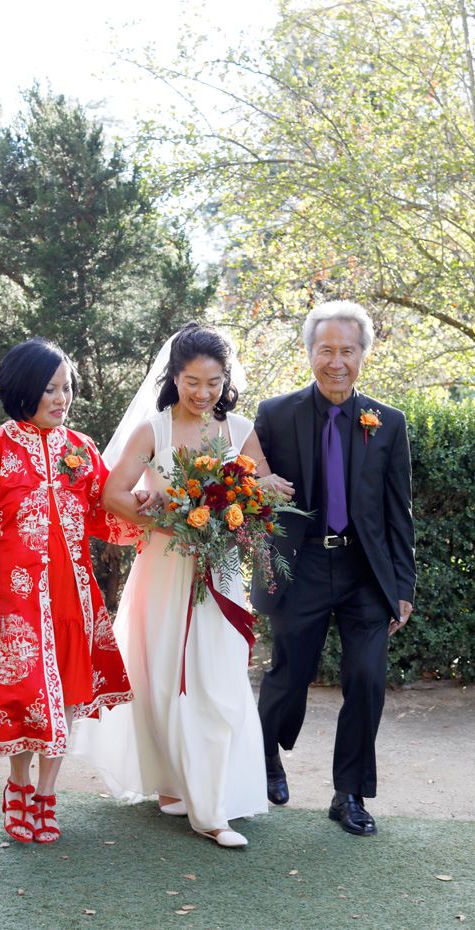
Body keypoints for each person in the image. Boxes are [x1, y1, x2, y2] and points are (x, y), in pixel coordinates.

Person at [0, 338, 147, 844]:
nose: (61, 398)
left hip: (72, 595)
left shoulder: (81, 449)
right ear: (24, 390)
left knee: (65, 696)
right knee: (25, 695)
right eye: (50, 388)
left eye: (66, 388)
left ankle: (47, 794)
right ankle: (17, 785)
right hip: (12, 599)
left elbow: (105, 509)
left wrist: (152, 508)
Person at [75, 322, 283, 848]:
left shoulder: (239, 431)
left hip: (222, 575)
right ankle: (172, 785)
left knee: (217, 682)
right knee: (164, 677)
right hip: (165, 570)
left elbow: (259, 490)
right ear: (174, 377)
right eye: (192, 381)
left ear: (225, 380)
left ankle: (211, 810)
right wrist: (172, 521)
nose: (202, 393)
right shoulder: (154, 430)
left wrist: (256, 501)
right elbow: (113, 494)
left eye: (213, 382)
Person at [252, 300, 416, 836]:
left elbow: (398, 511)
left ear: (364, 354)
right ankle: (266, 754)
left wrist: (403, 585)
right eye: (326, 350)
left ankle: (349, 794)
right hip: (299, 566)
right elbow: (254, 494)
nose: (337, 361)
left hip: (364, 571)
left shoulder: (388, 423)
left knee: (367, 679)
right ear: (310, 353)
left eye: (348, 350)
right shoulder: (275, 415)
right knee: (288, 676)